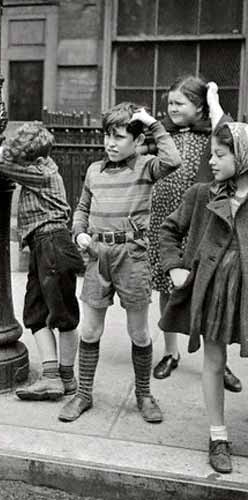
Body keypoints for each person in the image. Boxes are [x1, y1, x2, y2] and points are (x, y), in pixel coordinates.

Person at [59, 103, 182, 424]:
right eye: (107, 137)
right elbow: (81, 208)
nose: (111, 144)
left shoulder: (145, 166)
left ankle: (144, 394)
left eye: (119, 137)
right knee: (90, 329)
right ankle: (83, 394)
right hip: (98, 256)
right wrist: (79, 232)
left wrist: (152, 123)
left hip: (132, 257)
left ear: (137, 141)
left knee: (139, 332)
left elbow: (174, 160)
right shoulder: (94, 171)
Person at [159, 122, 248, 473]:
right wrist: (174, 267)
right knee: (213, 361)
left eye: (220, 155)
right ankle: (218, 436)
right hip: (213, 292)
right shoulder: (201, 195)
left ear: (241, 158)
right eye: (212, 153)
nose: (211, 161)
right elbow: (169, 230)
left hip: (246, 295)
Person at [147, 76, 242, 392]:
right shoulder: (163, 135)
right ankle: (170, 351)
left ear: (198, 106)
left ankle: (218, 361)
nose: (172, 108)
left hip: (203, 222)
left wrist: (214, 101)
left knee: (209, 286)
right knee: (167, 285)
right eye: (169, 103)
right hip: (168, 217)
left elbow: (225, 129)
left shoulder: (210, 138)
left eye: (179, 103)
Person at [0, 122, 85, 402]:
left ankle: (64, 376)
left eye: (24, 158)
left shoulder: (43, 171)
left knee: (64, 314)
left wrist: (3, 152)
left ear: (38, 159)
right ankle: (53, 376)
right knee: (34, 312)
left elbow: (4, 167)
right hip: (43, 246)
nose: (21, 162)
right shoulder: (35, 168)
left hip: (54, 244)